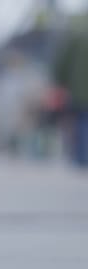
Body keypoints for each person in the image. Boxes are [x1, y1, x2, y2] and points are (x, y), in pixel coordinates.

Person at [52, 14, 88, 168]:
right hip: (79, 89)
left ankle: (82, 157)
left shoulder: (78, 37)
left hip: (79, 90)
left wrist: (61, 81)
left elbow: (63, 64)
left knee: (81, 122)